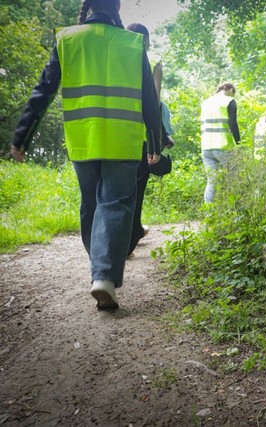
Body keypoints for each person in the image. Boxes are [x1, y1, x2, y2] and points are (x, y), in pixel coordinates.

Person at [11, 0, 162, 310]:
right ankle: (103, 276)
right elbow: (150, 98)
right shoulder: (132, 43)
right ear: (116, 8)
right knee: (116, 204)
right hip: (122, 138)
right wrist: (155, 141)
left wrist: (22, 136)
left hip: (83, 138)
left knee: (92, 203)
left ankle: (99, 267)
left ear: (88, 6)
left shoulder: (67, 39)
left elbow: (43, 91)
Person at [125, 22, 175, 257]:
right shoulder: (147, 64)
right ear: (145, 40)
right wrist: (158, 139)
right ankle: (128, 242)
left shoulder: (118, 61)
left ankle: (133, 231)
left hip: (117, 134)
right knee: (135, 191)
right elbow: (153, 104)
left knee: (117, 191)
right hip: (141, 138)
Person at [200, 81, 241, 203]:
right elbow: (233, 124)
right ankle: (235, 210)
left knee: (212, 181)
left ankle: (209, 211)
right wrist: (239, 144)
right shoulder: (229, 101)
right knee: (234, 179)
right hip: (224, 146)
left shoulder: (206, 102)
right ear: (231, 90)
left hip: (206, 147)